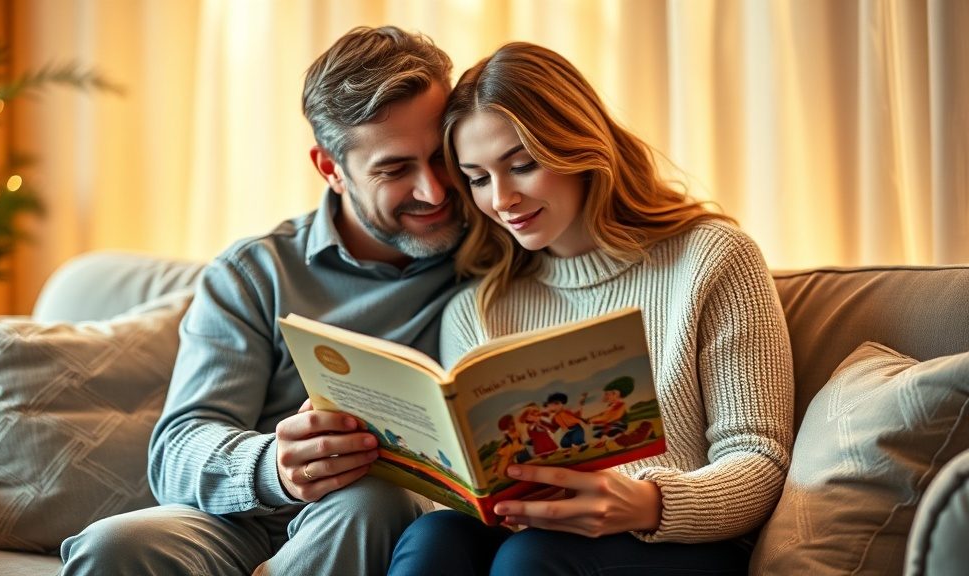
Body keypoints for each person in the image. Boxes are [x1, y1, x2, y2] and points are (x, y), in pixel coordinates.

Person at [59, 26, 467, 576]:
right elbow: (178, 449)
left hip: (382, 517)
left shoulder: (495, 249)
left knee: (369, 499)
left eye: (442, 156)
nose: (434, 191)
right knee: (113, 544)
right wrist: (275, 466)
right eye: (395, 170)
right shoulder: (255, 272)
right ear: (330, 168)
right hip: (248, 521)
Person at [388, 42, 795, 576]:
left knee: (529, 557)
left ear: (578, 148)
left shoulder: (710, 259)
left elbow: (758, 458)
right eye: (479, 178)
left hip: (678, 543)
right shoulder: (479, 307)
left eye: (522, 165)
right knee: (434, 538)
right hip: (532, 537)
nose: (502, 199)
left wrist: (648, 502)